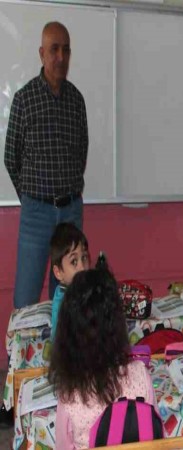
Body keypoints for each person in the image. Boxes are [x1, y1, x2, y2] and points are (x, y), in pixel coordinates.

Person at [4, 21, 88, 308]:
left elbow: (81, 152)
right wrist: (31, 197)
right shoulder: (24, 99)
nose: (60, 57)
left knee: (68, 298)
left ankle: (64, 340)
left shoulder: (76, 100)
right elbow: (11, 157)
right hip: (36, 215)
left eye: (66, 50)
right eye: (54, 49)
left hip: (70, 212)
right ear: (42, 53)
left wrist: (67, 191)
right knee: (25, 299)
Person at [50, 269, 155, 449]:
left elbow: (63, 446)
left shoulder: (69, 394)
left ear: (69, 333)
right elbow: (155, 436)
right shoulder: (141, 374)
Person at [50, 223, 90, 341]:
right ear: (58, 272)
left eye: (84, 257)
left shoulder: (81, 290)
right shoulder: (64, 303)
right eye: (74, 262)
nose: (82, 267)